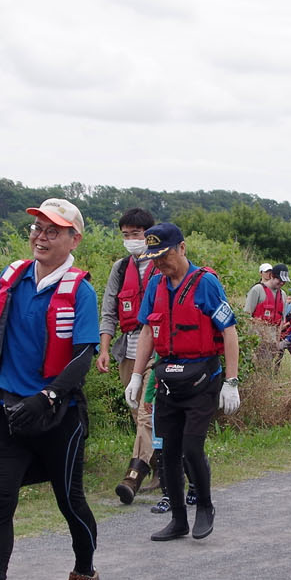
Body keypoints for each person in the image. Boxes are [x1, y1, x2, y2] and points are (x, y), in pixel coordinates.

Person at [0, 198, 102, 580]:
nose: (40, 237)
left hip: (58, 415)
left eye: (52, 231)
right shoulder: (12, 278)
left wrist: (47, 397)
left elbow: (82, 356)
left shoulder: (81, 290)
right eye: (37, 228)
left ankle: (84, 571)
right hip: (9, 411)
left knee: (69, 499)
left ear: (73, 239)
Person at [128, 223, 241, 541]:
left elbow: (229, 331)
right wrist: (137, 376)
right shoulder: (155, 286)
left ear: (182, 248)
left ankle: (204, 505)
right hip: (167, 381)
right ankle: (178, 519)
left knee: (192, 448)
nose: (160, 263)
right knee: (166, 452)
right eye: (154, 258)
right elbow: (149, 331)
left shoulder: (205, 283)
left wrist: (231, 381)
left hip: (202, 380)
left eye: (164, 255)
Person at [99, 207, 159, 504]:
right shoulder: (121, 268)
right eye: (126, 235)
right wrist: (105, 348)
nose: (131, 240)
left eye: (136, 234)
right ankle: (164, 467)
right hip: (128, 349)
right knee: (138, 413)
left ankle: (134, 475)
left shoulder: (162, 264)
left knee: (146, 413)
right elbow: (109, 309)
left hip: (157, 353)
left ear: (150, 234)